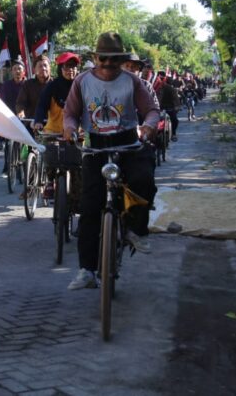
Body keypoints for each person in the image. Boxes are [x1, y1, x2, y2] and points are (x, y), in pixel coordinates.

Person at [62, 32, 160, 291]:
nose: (107, 66)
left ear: (122, 61)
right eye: (103, 60)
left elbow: (151, 110)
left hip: (128, 145)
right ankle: (86, 270)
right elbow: (70, 114)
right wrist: (70, 129)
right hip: (95, 149)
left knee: (144, 180)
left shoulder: (132, 82)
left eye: (114, 61)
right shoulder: (82, 82)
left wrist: (148, 127)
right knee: (90, 207)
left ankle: (135, 230)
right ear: (95, 58)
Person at [32, 52, 80, 135]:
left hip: (75, 134)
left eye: (73, 66)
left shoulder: (81, 85)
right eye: (66, 66)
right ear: (60, 68)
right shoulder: (52, 86)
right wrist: (38, 121)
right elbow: (42, 105)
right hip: (53, 134)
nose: (70, 70)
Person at [0, 59, 26, 176]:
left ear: (23, 71)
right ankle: (7, 167)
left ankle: (25, 167)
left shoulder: (27, 84)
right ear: (11, 72)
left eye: (19, 69)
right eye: (14, 69)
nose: (17, 71)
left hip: (24, 118)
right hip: (9, 117)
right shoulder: (6, 85)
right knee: (8, 144)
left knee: (24, 144)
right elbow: (2, 101)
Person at [16, 55, 51, 122]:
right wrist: (21, 112)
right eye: (40, 66)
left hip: (52, 124)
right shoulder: (28, 85)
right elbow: (20, 103)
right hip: (31, 122)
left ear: (49, 68)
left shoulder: (55, 84)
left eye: (45, 65)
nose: (43, 68)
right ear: (34, 70)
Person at [158, 72, 181, 140]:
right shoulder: (154, 87)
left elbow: (176, 99)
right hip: (161, 109)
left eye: (162, 79)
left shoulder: (168, 88)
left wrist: (177, 106)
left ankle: (173, 133)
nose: (160, 80)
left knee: (174, 120)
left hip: (165, 108)